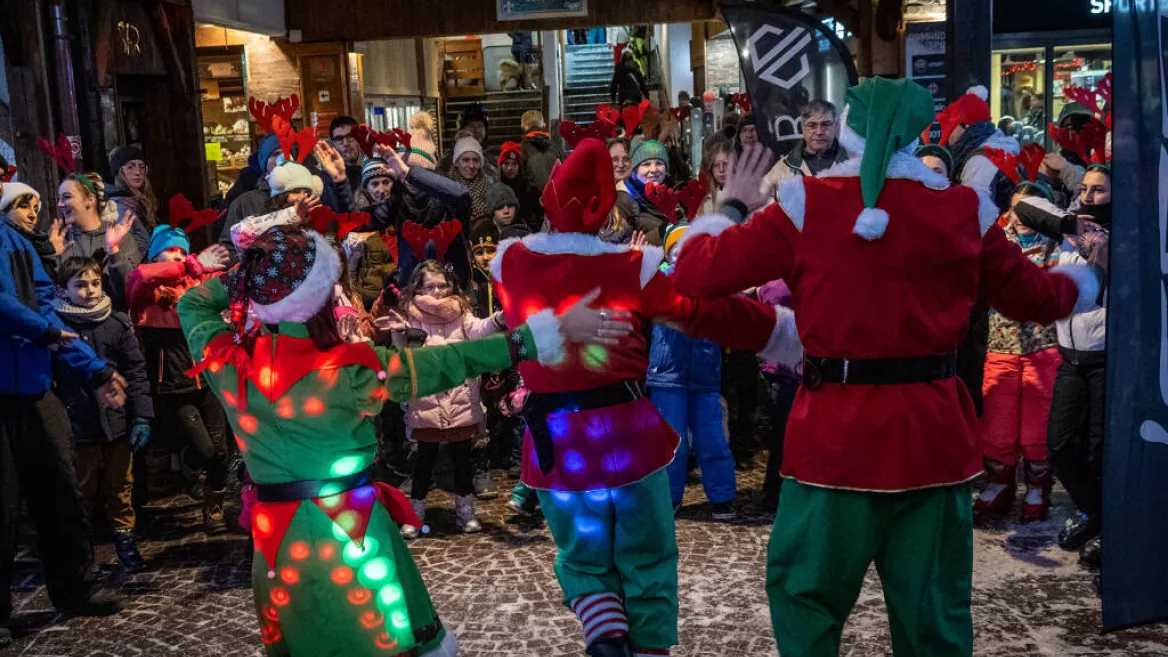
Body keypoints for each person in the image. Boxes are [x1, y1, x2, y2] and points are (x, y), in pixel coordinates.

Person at [672, 77, 1095, 657]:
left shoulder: (803, 205)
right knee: (934, 622)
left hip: (832, 445)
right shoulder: (962, 211)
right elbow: (1036, 299)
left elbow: (693, 275)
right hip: (932, 446)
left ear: (848, 131)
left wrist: (734, 205)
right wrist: (1087, 277)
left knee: (806, 606)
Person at [177, 213, 622, 656]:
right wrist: (532, 339)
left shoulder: (228, 365)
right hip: (352, 536)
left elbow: (191, 304)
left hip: (276, 545)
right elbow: (445, 363)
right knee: (373, 639)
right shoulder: (348, 368)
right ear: (318, 296)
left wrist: (256, 270)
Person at [490, 137, 787, 657]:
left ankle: (605, 634)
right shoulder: (632, 267)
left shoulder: (511, 263)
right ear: (608, 207)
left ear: (548, 201)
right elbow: (703, 310)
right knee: (647, 554)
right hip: (627, 437)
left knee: (582, 557)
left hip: (557, 444)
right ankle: (647, 649)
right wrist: (784, 335)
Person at [1, 177, 128, 646]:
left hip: (34, 387)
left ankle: (75, 588)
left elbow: (47, 310)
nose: (33, 210)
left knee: (59, 489)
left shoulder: (18, 242)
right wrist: (45, 333)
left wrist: (95, 371)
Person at [1014, 164, 1111, 569]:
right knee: (1058, 445)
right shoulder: (1074, 224)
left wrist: (1073, 222)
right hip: (1070, 359)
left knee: (1099, 450)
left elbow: (1093, 242)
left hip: (1107, 360)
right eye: (1084, 187)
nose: (1088, 195)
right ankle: (1095, 511)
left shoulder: (1111, 235)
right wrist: (1070, 217)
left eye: (1099, 190)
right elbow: (1025, 206)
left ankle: (1110, 528)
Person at [376, 261, 508, 536]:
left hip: (459, 395)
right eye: (430, 286)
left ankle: (465, 510)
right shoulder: (410, 314)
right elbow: (404, 353)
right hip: (426, 399)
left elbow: (478, 330)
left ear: (451, 286)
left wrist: (497, 320)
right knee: (424, 460)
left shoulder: (460, 311)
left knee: (463, 458)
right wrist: (402, 334)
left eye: (442, 285)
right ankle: (415, 513)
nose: (437, 291)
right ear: (419, 287)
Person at [126, 223, 233, 529]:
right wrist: (193, 264)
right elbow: (140, 277)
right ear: (155, 253)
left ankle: (213, 509)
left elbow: (230, 279)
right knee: (205, 450)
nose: (178, 256)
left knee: (221, 453)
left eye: (183, 251)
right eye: (170, 250)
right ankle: (188, 462)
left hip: (208, 379)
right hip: (174, 384)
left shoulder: (197, 281)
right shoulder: (148, 289)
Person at [53, 256, 153, 572]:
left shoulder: (116, 323)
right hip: (77, 425)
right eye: (80, 285)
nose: (90, 291)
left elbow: (136, 371)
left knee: (120, 488)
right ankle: (82, 555)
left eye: (95, 283)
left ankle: (126, 545)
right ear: (64, 289)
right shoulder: (59, 328)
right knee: (80, 491)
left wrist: (142, 416)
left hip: (116, 424)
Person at [975, 182, 1062, 522]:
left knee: (1037, 425)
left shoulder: (1055, 243)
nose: (1021, 215)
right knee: (998, 421)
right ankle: (999, 480)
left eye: (1032, 208)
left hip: (1044, 346)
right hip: (1001, 345)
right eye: (1016, 207)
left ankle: (1038, 484)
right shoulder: (997, 240)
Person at [648, 223, 737, 520]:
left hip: (704, 374)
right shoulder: (661, 280)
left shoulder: (713, 285)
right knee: (672, 442)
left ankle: (722, 496)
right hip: (667, 375)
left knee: (712, 437)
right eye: (677, 249)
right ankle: (668, 497)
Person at [57, 173, 141, 311]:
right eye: (59, 198)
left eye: (66, 197)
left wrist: (113, 250)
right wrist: (49, 256)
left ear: (89, 200)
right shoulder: (61, 239)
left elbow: (130, 291)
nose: (60, 204)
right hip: (70, 324)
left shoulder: (121, 238)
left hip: (114, 322)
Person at [762, 100, 850, 196]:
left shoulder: (854, 164)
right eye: (812, 125)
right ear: (803, 128)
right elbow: (761, 201)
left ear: (835, 127)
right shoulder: (784, 168)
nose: (819, 132)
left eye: (825, 124)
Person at [217, 132, 282, 254]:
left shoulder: (307, 197)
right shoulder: (244, 203)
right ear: (264, 162)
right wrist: (252, 264)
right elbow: (227, 250)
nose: (282, 159)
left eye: (288, 153)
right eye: (276, 154)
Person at [1, 182, 66, 280]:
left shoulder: (41, 244)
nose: (33, 215)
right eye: (24, 206)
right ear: (3, 210)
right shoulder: (4, 244)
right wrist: (47, 251)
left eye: (35, 209)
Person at [106, 145, 156, 256]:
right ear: (119, 171)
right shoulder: (119, 206)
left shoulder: (141, 201)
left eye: (142, 167)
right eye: (130, 167)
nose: (137, 172)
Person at [622, 140, 672, 245]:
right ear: (635, 171)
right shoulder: (624, 201)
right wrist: (670, 225)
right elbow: (625, 245)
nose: (653, 169)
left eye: (659, 163)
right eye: (646, 164)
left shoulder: (675, 194)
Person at [447, 137, 495, 239]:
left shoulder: (491, 185)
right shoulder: (446, 186)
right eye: (465, 160)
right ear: (457, 162)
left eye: (476, 160)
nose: (471, 165)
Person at [497, 142, 543, 232]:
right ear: (501, 166)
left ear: (519, 166)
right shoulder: (496, 188)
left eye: (514, 164)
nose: (510, 168)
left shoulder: (530, 188)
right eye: (506, 164)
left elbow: (538, 216)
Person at [520, 110, 564, 190]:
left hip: (534, 198)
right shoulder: (556, 147)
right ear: (543, 125)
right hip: (555, 196)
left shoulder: (523, 148)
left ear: (523, 126)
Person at [329, 116, 366, 193]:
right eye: (339, 139)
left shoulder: (375, 166)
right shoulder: (331, 175)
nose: (345, 143)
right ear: (333, 145)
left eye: (350, 136)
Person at [697, 139, 734, 215]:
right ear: (710, 168)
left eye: (725, 164)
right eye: (716, 165)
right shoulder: (704, 196)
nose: (721, 170)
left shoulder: (744, 193)